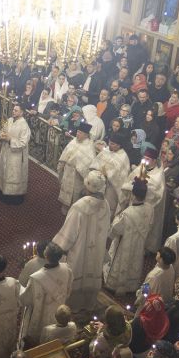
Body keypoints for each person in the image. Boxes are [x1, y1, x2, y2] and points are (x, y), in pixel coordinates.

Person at [54, 171, 113, 313]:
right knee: (91, 274)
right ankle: (88, 304)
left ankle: (72, 308)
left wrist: (58, 246)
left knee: (76, 273)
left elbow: (68, 233)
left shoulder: (79, 207)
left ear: (87, 186)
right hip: (97, 249)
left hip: (79, 250)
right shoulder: (105, 205)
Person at [0, 102, 31, 203]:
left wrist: (10, 140)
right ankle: (2, 189)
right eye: (13, 110)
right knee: (4, 170)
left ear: (22, 112)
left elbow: (23, 143)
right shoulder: (10, 120)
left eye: (16, 110)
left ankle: (13, 195)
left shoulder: (24, 126)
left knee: (14, 173)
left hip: (16, 156)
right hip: (6, 150)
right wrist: (2, 135)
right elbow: (4, 130)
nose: (13, 112)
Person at [58, 122, 99, 207]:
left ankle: (74, 209)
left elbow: (89, 163)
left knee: (75, 194)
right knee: (65, 188)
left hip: (77, 176)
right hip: (68, 170)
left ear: (86, 135)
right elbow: (66, 152)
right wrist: (62, 165)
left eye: (80, 133)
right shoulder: (74, 141)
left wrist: (79, 167)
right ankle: (65, 206)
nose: (77, 134)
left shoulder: (89, 146)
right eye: (77, 132)